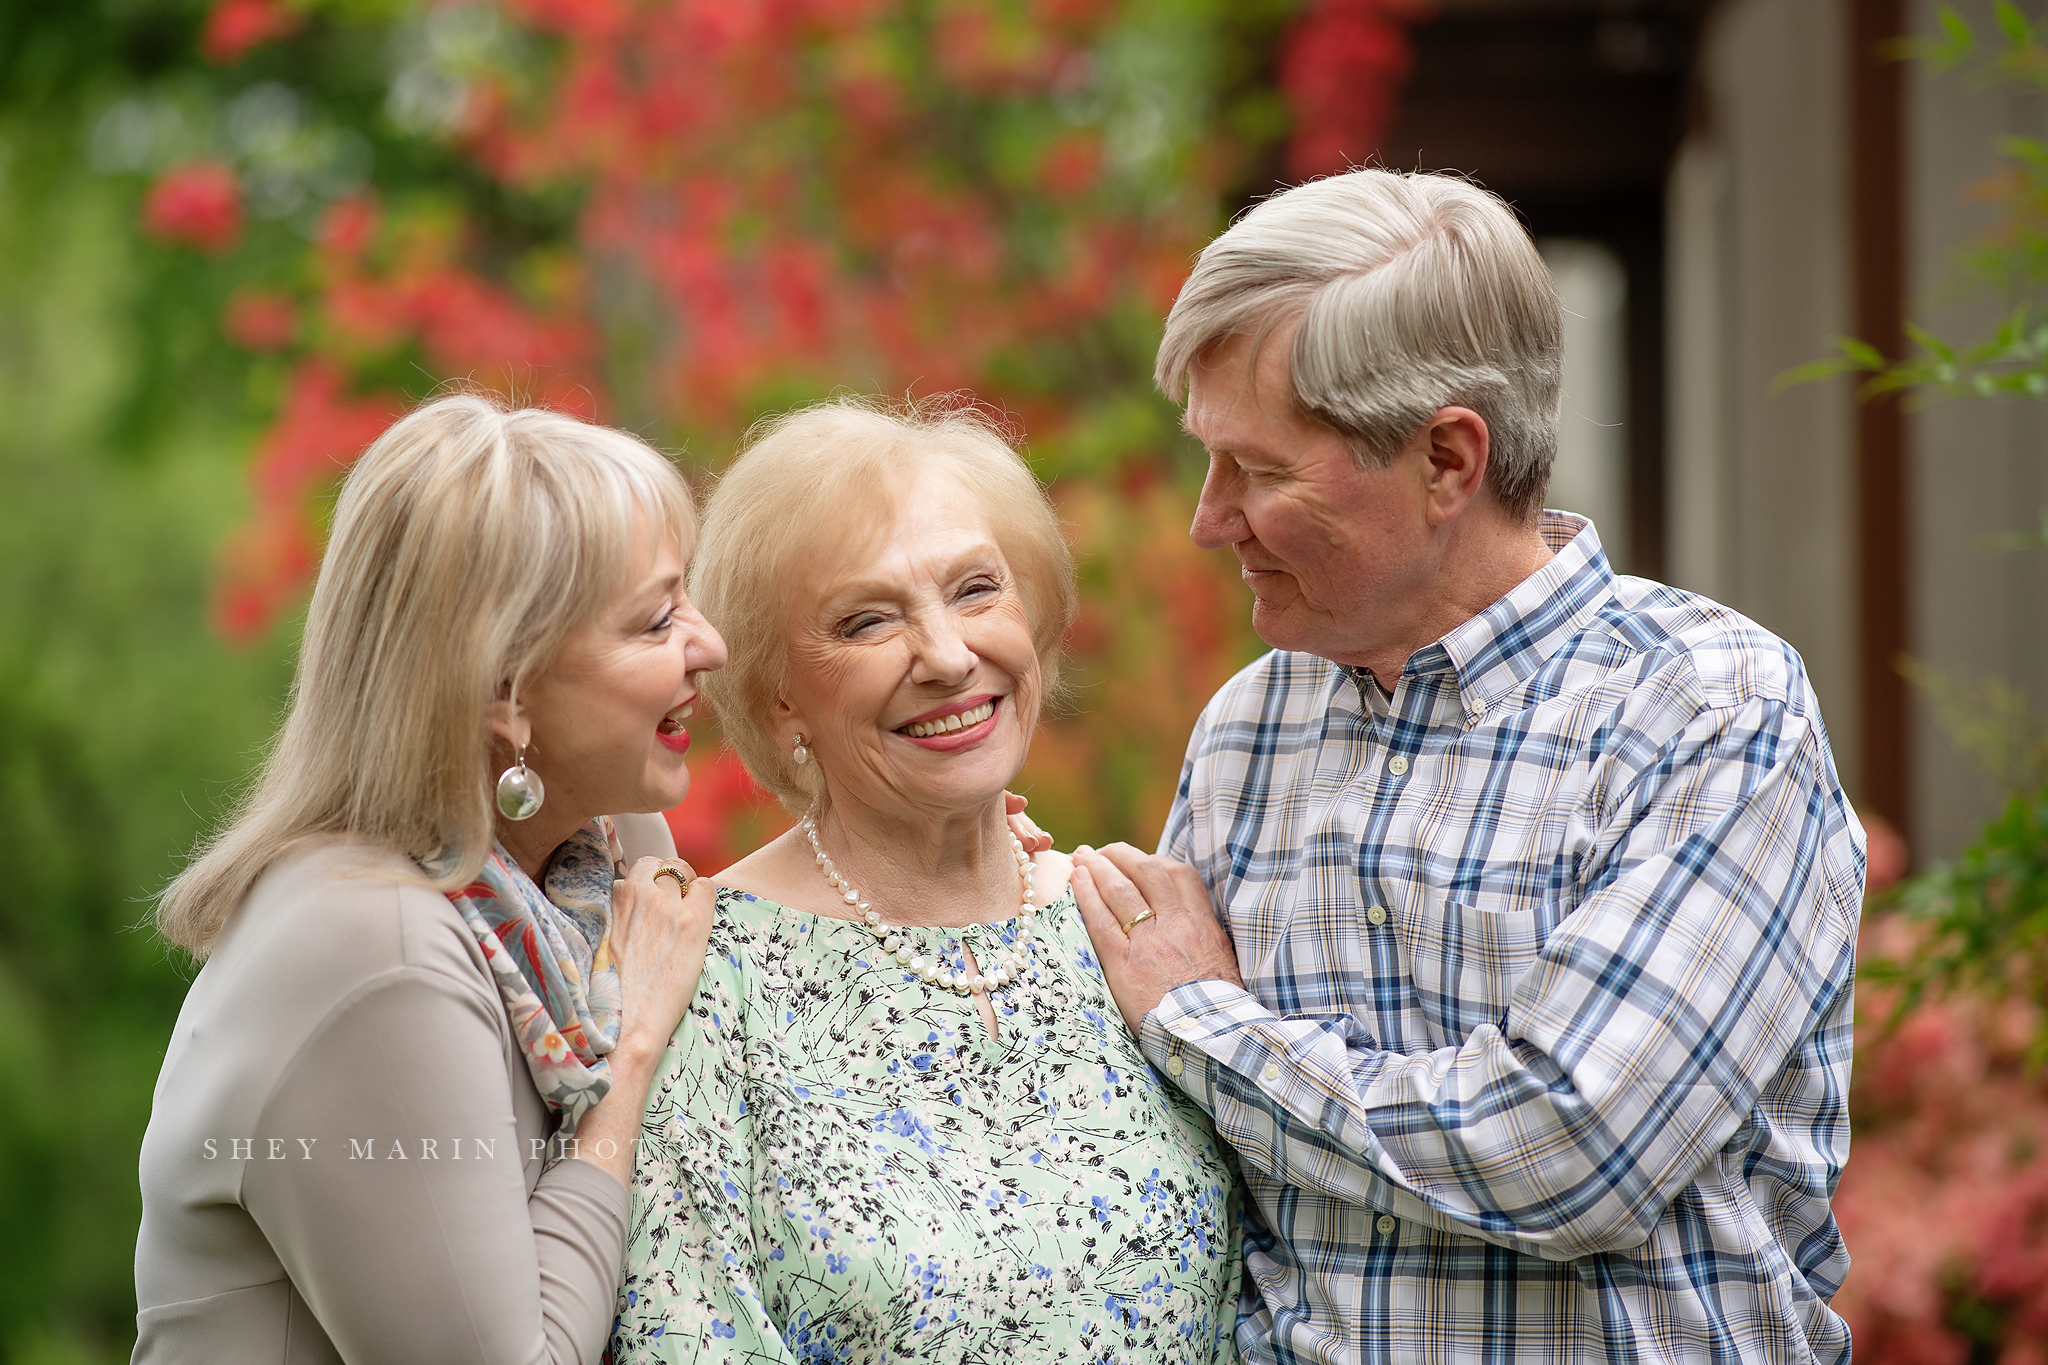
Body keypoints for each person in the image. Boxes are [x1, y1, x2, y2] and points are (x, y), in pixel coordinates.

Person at [1065, 168, 1865, 1364]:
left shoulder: (1707, 710)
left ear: (1446, 459)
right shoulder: (1248, 731)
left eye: (1260, 470)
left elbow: (1565, 1152)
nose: (1205, 517)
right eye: (1208, 459)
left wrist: (1201, 1023)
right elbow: (1192, 1169)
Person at [608, 399, 1243, 1365]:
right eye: (867, 620)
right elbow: (684, 1335)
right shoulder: (704, 977)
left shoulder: (1134, 930)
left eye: (978, 590)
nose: (948, 657)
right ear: (781, 695)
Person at [134, 393, 729, 1365]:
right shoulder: (376, 948)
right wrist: (632, 1057)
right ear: (506, 693)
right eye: (657, 621)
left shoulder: (597, 851)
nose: (710, 645)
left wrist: (947, 855)